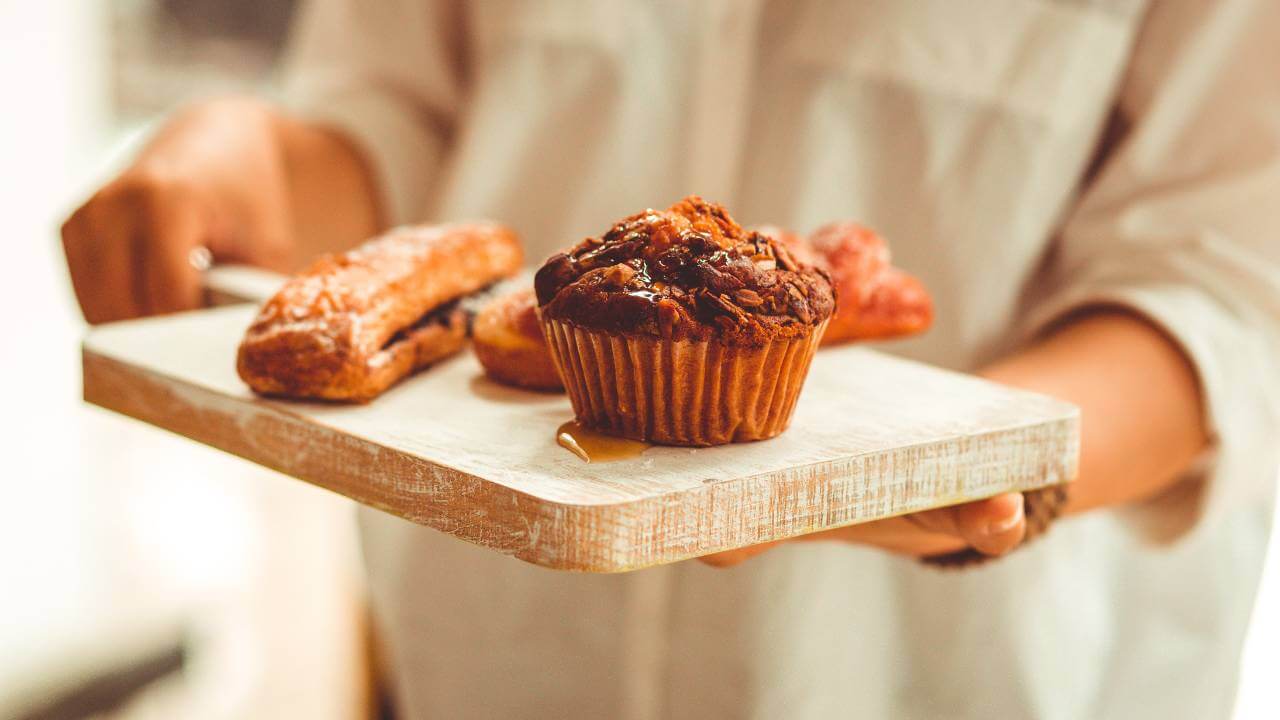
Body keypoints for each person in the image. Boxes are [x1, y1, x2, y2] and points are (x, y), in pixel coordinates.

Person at [61, 1, 1280, 717]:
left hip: (962, 672)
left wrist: (963, 466)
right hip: (484, 645)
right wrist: (263, 159)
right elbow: (399, 114)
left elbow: (1222, 283)